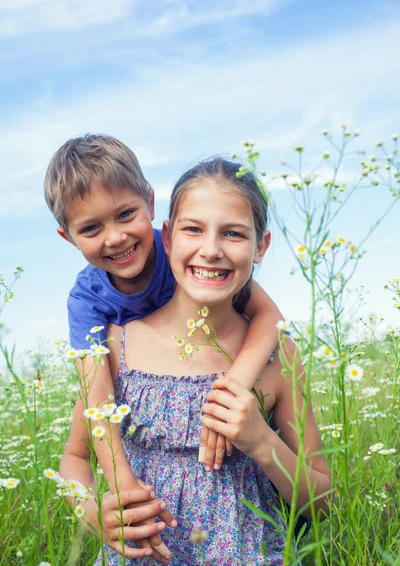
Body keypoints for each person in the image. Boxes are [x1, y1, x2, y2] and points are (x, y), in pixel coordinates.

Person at [61, 157, 331, 565]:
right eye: (192, 229)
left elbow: (322, 505)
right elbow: (75, 457)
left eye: (234, 234)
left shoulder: (278, 357)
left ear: (261, 246)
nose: (211, 250)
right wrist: (92, 511)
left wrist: (261, 440)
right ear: (166, 237)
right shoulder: (116, 346)